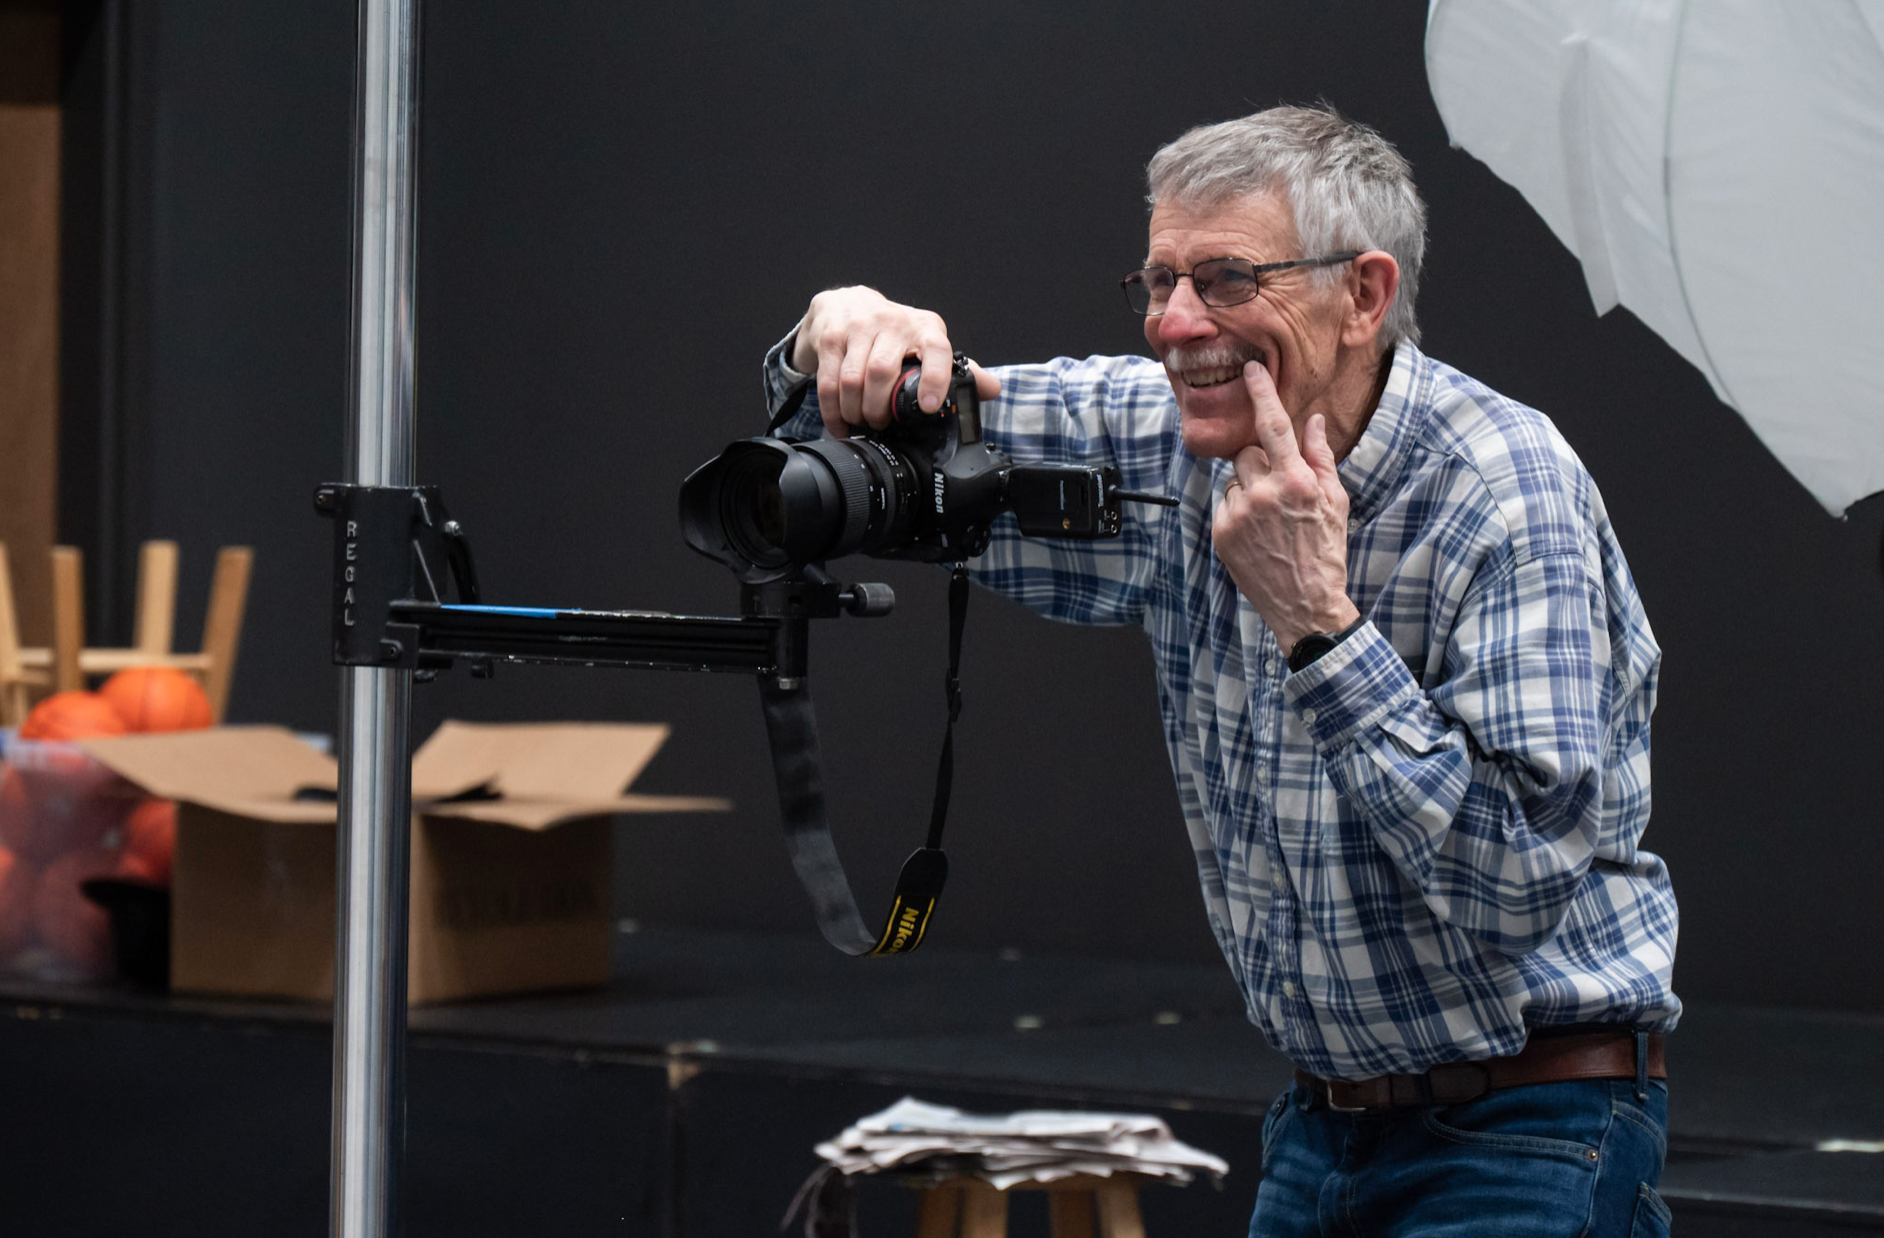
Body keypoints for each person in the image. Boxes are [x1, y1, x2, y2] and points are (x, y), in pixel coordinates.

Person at [762, 105, 1678, 1237]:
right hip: (1318, 1121)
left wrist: (1319, 624)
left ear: (1364, 295)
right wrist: (832, 344)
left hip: (1528, 1124)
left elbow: (1517, 880)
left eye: (1228, 279)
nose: (1176, 323)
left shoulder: (1504, 488)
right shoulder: (1165, 433)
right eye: (1158, 280)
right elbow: (844, 468)